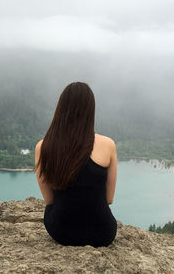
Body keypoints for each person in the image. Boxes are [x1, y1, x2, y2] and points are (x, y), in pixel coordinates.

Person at [34, 82, 117, 247]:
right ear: (90, 110)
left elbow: (49, 199)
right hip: (103, 234)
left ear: (61, 109)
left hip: (61, 231)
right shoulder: (108, 145)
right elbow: (108, 199)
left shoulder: (43, 147)